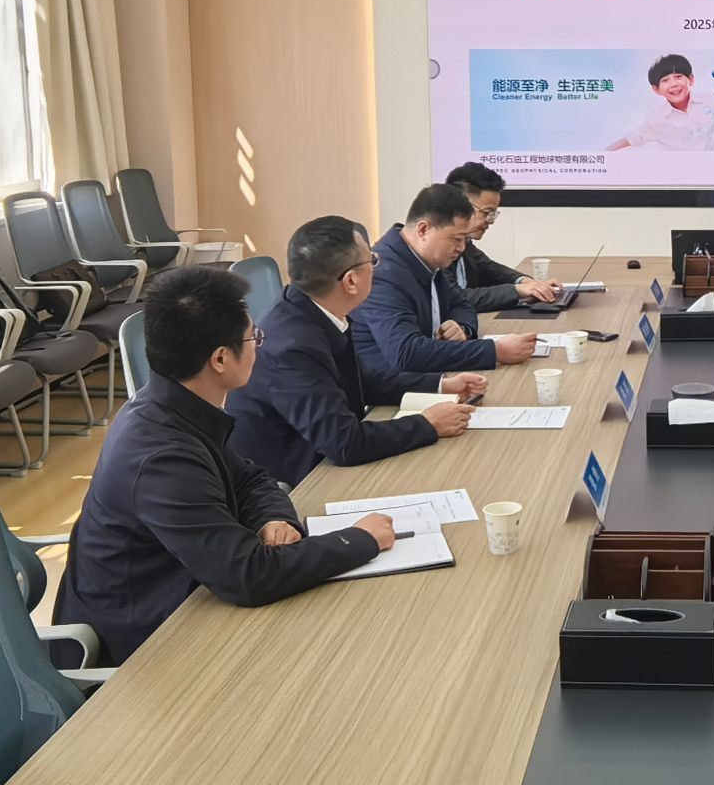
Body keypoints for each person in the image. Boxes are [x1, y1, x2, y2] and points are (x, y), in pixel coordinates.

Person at [53, 265, 402, 664]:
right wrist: (359, 540)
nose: (258, 346)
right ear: (220, 358)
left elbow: (251, 479)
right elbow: (249, 576)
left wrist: (275, 519)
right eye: (254, 337)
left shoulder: (177, 406)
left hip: (190, 591)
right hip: (144, 641)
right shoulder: (160, 456)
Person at [227, 217, 482, 487]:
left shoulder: (311, 308)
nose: (376, 267)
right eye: (372, 261)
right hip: (295, 484)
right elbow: (344, 443)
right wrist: (427, 424)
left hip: (320, 457)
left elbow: (362, 380)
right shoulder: (293, 345)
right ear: (350, 281)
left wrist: (441, 385)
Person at [357, 183, 539, 375]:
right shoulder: (382, 273)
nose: (462, 248)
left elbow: (462, 304)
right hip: (396, 387)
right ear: (423, 230)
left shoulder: (427, 258)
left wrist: (460, 326)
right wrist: (494, 351)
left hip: (434, 374)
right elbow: (406, 353)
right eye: (456, 239)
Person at [444, 161, 563, 310]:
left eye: (493, 214)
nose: (490, 221)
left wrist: (527, 282)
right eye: (486, 213)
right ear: (459, 206)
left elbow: (489, 269)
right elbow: (452, 298)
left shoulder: (465, 241)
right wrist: (517, 291)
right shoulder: (436, 247)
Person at [606, 53, 714, 151]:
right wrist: (603, 155)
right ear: (656, 89)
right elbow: (631, 139)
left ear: (691, 79)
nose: (673, 84)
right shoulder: (656, 119)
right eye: (665, 80)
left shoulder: (708, 101)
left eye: (678, 76)